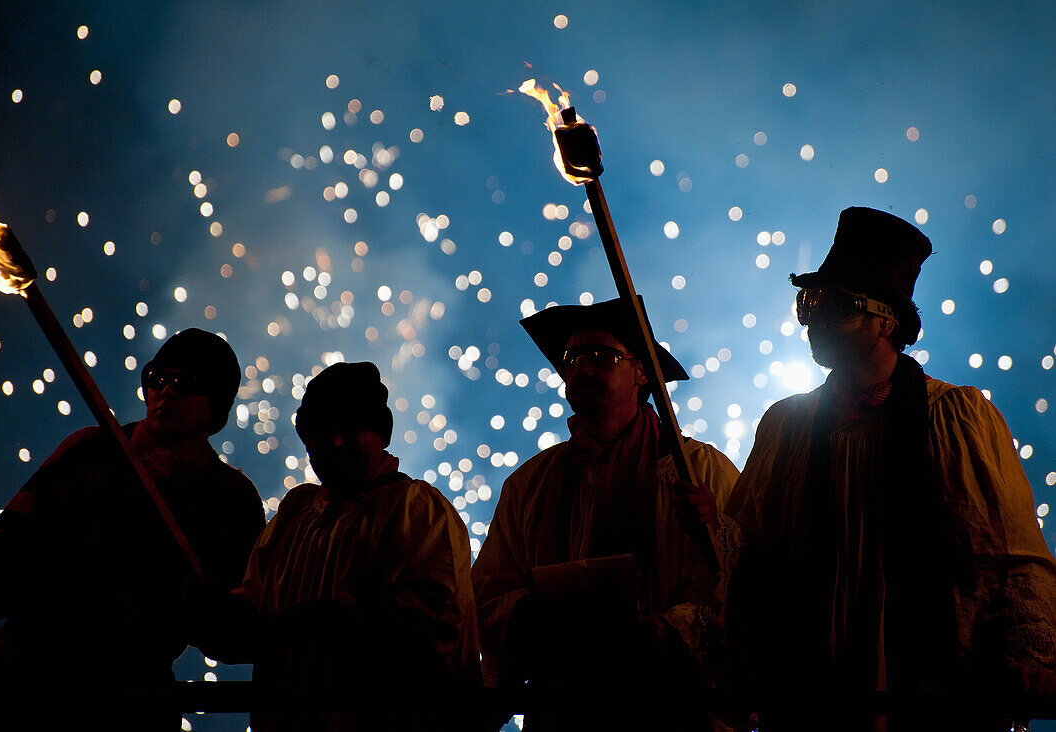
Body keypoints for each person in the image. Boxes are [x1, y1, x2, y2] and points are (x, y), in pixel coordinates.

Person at [724, 207, 1056, 729]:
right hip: (811, 691)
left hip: (929, 690)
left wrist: (1031, 657)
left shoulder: (956, 416)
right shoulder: (787, 425)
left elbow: (1011, 555)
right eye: (809, 305)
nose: (815, 322)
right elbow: (746, 553)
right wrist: (708, 525)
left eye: (835, 307)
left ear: (885, 319)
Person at [0, 327, 265, 730]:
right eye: (158, 377)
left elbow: (237, 631)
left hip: (127, 703)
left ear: (218, 405)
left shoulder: (231, 500)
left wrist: (199, 608)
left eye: (186, 383)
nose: (166, 391)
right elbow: (5, 544)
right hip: (23, 681)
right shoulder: (88, 451)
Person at [472, 297, 740, 730]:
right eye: (572, 358)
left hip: (668, 710)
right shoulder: (531, 484)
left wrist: (662, 633)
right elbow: (490, 588)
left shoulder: (700, 472)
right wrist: (532, 618)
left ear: (641, 372)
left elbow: (741, 588)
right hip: (563, 708)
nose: (582, 369)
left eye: (601, 356)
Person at [194, 361, 480, 731]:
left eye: (350, 426)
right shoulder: (295, 515)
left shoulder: (416, 511)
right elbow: (252, 614)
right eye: (320, 430)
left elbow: (431, 645)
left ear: (381, 432)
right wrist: (210, 616)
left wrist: (323, 625)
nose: (335, 442)